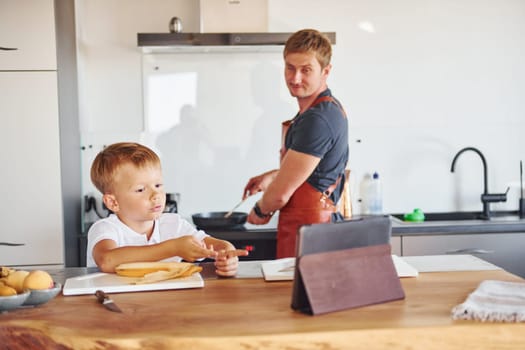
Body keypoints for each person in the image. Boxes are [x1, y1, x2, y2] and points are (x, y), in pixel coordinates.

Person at [243, 29, 349, 258]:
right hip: (310, 230)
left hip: (312, 234)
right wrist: (274, 176)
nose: (295, 78)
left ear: (326, 71)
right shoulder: (318, 112)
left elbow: (280, 195)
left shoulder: (317, 119)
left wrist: (260, 210)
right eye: (290, 68)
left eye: (306, 70)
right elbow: (312, 171)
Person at [86, 142, 248, 277]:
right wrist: (173, 248)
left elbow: (216, 245)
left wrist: (227, 253)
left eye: (157, 185)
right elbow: (107, 261)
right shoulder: (106, 228)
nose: (155, 194)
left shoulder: (173, 223)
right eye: (141, 189)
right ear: (113, 202)